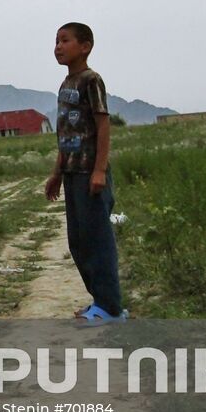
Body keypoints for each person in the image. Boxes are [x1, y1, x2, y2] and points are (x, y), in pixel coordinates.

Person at [44, 23, 127, 326]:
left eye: (65, 40)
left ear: (85, 46)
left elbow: (102, 125)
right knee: (78, 241)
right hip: (71, 172)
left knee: (97, 240)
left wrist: (100, 170)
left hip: (90, 173)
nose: (58, 46)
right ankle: (100, 301)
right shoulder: (66, 84)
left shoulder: (92, 80)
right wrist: (56, 173)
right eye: (56, 41)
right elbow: (66, 134)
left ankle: (111, 309)